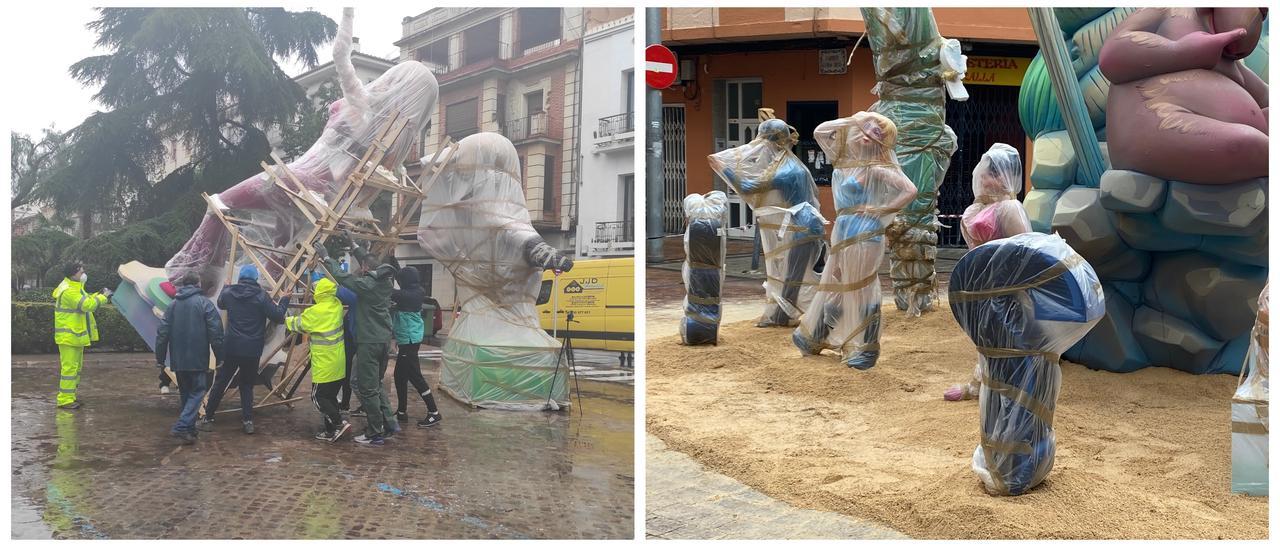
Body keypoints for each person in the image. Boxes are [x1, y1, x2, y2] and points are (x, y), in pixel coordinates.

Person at [164, 7, 439, 293]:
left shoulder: (363, 106)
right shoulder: (393, 145)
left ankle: (188, 276)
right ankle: (264, 301)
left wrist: (346, 16)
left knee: (220, 204)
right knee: (280, 249)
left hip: (301, 182)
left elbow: (341, 55)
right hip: (323, 202)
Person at [793, 112, 917, 369]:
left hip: (865, 233)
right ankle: (819, 334)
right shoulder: (847, 161)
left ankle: (865, 347)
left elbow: (909, 190)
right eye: (864, 130)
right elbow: (820, 131)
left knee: (860, 288)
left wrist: (882, 209)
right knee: (836, 280)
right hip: (845, 230)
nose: (866, 135)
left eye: (875, 133)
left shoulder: (877, 168)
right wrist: (858, 120)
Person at [708, 116, 825, 327]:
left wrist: (722, 166)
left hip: (801, 225)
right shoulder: (791, 165)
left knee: (793, 276)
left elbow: (747, 185)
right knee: (792, 273)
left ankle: (787, 316)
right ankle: (783, 315)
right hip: (804, 223)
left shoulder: (787, 170)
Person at [945, 143, 1032, 401]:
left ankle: (1006, 386)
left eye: (994, 173)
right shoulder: (975, 209)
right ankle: (980, 381)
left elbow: (1025, 250)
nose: (985, 178)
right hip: (981, 282)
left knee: (1007, 334)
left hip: (1006, 283)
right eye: (985, 172)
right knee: (985, 333)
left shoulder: (1010, 208)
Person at [316, 237, 398, 445]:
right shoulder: (385, 280)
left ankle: (374, 431)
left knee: (367, 387)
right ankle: (389, 423)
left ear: (364, 269)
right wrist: (354, 246)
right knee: (376, 384)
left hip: (369, 342)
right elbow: (370, 262)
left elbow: (343, 278)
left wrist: (326, 257)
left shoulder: (365, 285)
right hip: (382, 340)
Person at [200, 265, 289, 433]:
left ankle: (209, 417)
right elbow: (278, 316)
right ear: (255, 279)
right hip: (252, 349)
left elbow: (220, 303)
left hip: (232, 347)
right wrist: (284, 300)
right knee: (247, 385)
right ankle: (248, 422)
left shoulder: (229, 293)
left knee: (221, 382)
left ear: (240, 278)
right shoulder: (262, 296)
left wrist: (226, 286)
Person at [155, 272, 224, 445]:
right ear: (198, 284)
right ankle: (181, 426)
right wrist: (220, 356)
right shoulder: (205, 304)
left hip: (178, 360)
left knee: (186, 394)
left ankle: (189, 430)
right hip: (198, 358)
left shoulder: (172, 306)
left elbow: (162, 334)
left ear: (183, 285)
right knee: (198, 391)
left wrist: (160, 359)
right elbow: (216, 334)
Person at [285, 274, 353, 442]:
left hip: (324, 363)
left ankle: (338, 424)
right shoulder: (336, 305)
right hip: (338, 362)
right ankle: (330, 431)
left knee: (318, 398)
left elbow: (298, 324)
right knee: (330, 397)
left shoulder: (316, 312)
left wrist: (282, 316)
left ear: (319, 294)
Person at [51, 262, 112, 409]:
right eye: (81, 272)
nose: (83, 274)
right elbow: (87, 305)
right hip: (69, 337)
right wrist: (104, 297)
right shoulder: (69, 291)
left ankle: (71, 397)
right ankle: (65, 400)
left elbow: (87, 299)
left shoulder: (74, 287)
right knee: (69, 370)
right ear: (73, 274)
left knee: (75, 369)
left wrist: (97, 294)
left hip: (74, 337)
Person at [391, 266, 443, 427]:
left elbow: (392, 292)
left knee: (416, 377)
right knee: (399, 376)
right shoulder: (416, 290)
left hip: (410, 340)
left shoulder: (410, 295)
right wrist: (392, 261)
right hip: (408, 338)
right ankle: (401, 411)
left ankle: (434, 412)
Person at [336, 284, 358, 414]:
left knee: (350, 377)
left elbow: (338, 291)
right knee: (348, 376)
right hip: (349, 346)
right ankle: (345, 403)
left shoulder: (356, 299)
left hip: (352, 346)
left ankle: (345, 404)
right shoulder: (352, 308)